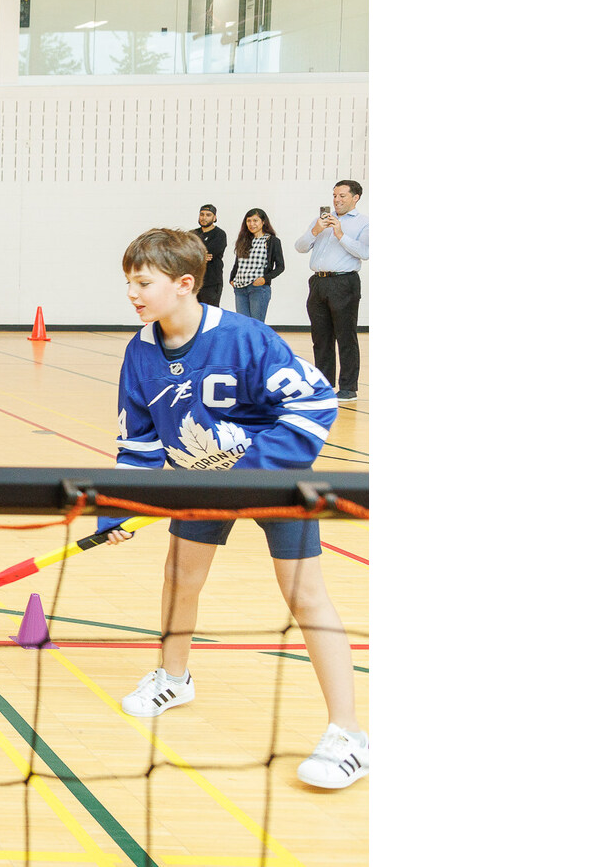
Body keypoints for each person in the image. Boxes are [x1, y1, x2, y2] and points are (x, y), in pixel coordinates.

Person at [104, 227, 363, 790]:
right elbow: (140, 443)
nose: (133, 293)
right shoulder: (140, 351)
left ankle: (348, 734)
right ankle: (174, 677)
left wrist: (251, 472)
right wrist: (121, 505)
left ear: (184, 284)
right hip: (202, 481)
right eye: (128, 282)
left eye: (143, 282)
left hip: (274, 478)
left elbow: (315, 401)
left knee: (305, 596)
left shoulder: (244, 337)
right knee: (179, 578)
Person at [294, 180, 369, 402]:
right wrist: (316, 230)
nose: (337, 200)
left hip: (344, 282)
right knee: (321, 337)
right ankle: (324, 385)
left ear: (355, 198)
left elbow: (365, 252)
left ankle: (348, 388)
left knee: (345, 336)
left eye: (342, 196)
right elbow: (300, 247)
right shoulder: (321, 222)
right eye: (335, 195)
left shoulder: (363, 223)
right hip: (318, 282)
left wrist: (340, 234)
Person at [227, 208, 284, 323]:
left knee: (256, 325)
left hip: (258, 288)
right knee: (243, 324)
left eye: (255, 220)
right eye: (248, 221)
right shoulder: (243, 240)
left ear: (263, 222)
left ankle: (258, 342)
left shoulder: (272, 241)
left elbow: (280, 266)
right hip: (240, 288)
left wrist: (264, 279)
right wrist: (232, 279)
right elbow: (238, 263)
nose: (251, 224)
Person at [193, 205, 226, 309]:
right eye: (202, 214)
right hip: (194, 283)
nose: (204, 217)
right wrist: (201, 255)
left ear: (214, 218)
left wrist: (194, 254)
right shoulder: (192, 234)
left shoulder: (219, 234)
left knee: (211, 315)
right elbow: (185, 253)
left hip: (212, 283)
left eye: (208, 215)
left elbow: (212, 252)